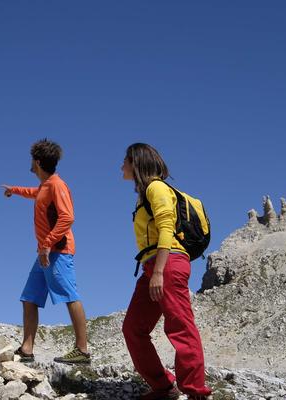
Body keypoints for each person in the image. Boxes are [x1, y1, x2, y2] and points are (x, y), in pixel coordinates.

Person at [121, 143, 212, 400]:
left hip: (168, 263)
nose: (120, 166)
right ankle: (163, 388)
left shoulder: (156, 187)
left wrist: (159, 271)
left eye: (124, 161)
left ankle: (197, 392)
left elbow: (166, 227)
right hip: (154, 265)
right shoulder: (144, 194)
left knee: (180, 326)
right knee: (133, 328)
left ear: (136, 163)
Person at [2, 138, 90, 364]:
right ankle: (27, 349)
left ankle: (82, 350)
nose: (30, 163)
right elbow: (35, 193)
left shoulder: (57, 185)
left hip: (58, 251)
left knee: (70, 295)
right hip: (45, 253)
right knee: (29, 297)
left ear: (38, 162)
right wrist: (14, 190)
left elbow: (67, 217)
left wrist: (48, 243)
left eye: (32, 160)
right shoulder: (45, 186)